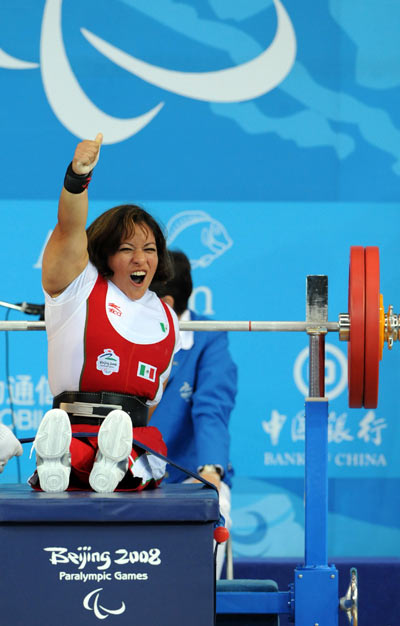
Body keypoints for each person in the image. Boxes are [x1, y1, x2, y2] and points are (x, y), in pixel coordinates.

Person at [1, 132, 181, 493]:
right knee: (82, 454)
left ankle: (111, 461)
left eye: (149, 249)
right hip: (74, 427)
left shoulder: (167, 318)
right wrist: (77, 179)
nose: (140, 259)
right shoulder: (78, 286)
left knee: (146, 449)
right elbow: (69, 229)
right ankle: (62, 460)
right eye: (126, 248)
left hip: (131, 437)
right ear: (105, 254)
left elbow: (153, 402)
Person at [151, 251, 237, 576]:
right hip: (124, 471)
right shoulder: (122, 327)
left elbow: (212, 407)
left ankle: (199, 607)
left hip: (186, 470)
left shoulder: (209, 337)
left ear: (167, 304)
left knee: (215, 501)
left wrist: (211, 470)